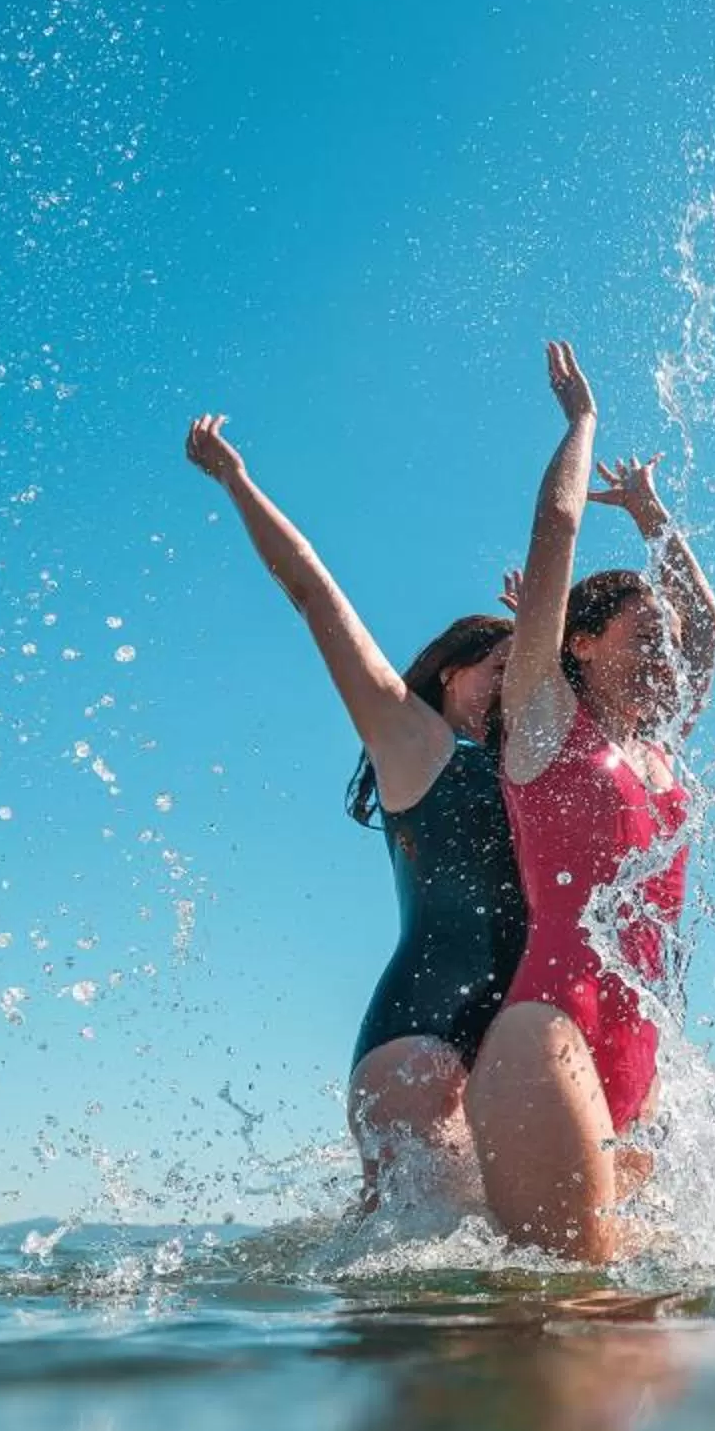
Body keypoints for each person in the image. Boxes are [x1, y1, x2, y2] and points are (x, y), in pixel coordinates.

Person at [185, 412, 526, 1213]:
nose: (513, 694)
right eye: (500, 672)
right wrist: (238, 481)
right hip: (421, 1028)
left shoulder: (528, 772)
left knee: (513, 1258)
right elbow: (312, 593)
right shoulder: (413, 741)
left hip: (509, 1026)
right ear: (450, 672)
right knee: (414, 1249)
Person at [464, 343, 715, 1262]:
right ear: (578, 641)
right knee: (567, 1305)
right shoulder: (543, 722)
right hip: (553, 1030)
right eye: (641, 634)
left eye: (665, 636)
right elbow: (555, 533)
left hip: (640, 1052)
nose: (666, 651)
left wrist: (656, 519)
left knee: (636, 1333)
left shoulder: (658, 750)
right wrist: (581, 424)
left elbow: (714, 626)